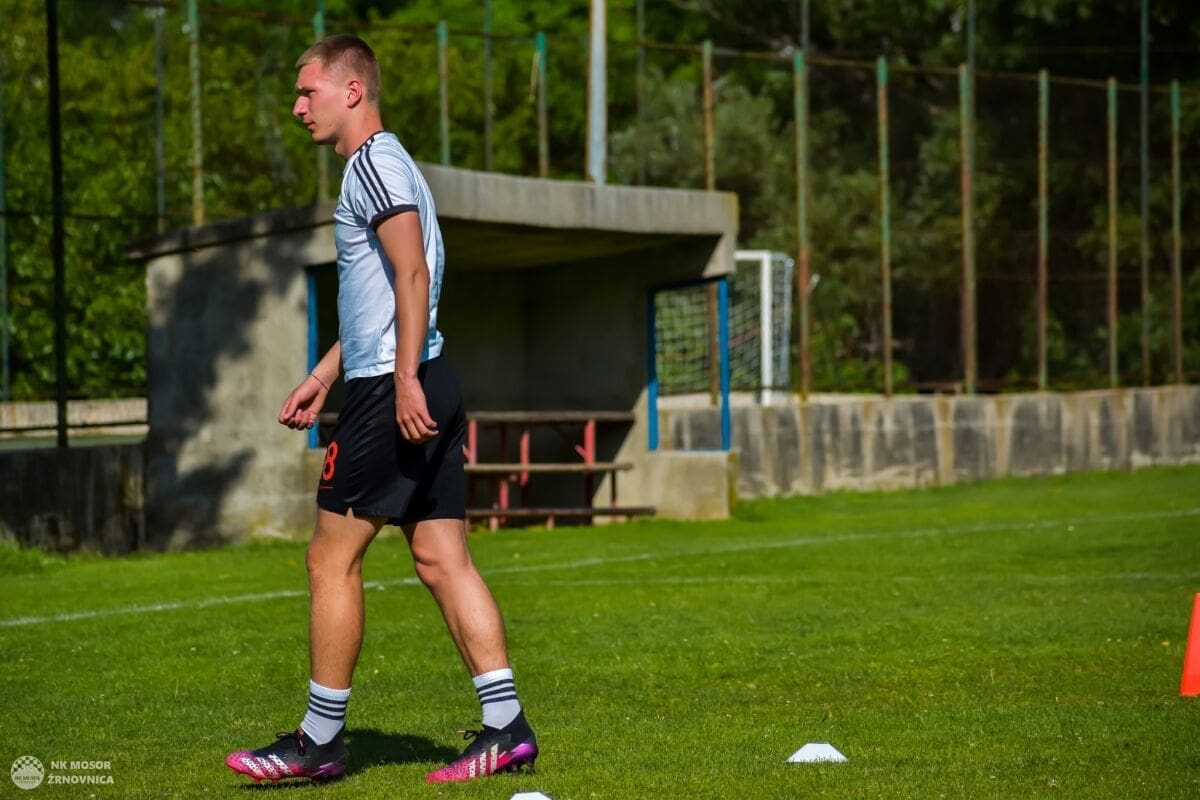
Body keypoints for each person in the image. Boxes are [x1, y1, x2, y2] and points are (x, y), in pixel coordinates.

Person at [224, 34, 537, 785]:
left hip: (394, 386)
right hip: (418, 373)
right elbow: (382, 296)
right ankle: (507, 728)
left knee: (329, 558)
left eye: (308, 92)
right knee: (440, 559)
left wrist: (399, 381)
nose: (298, 107)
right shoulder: (389, 164)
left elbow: (412, 272)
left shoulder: (373, 164)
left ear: (352, 90)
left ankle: (318, 740)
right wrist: (324, 374)